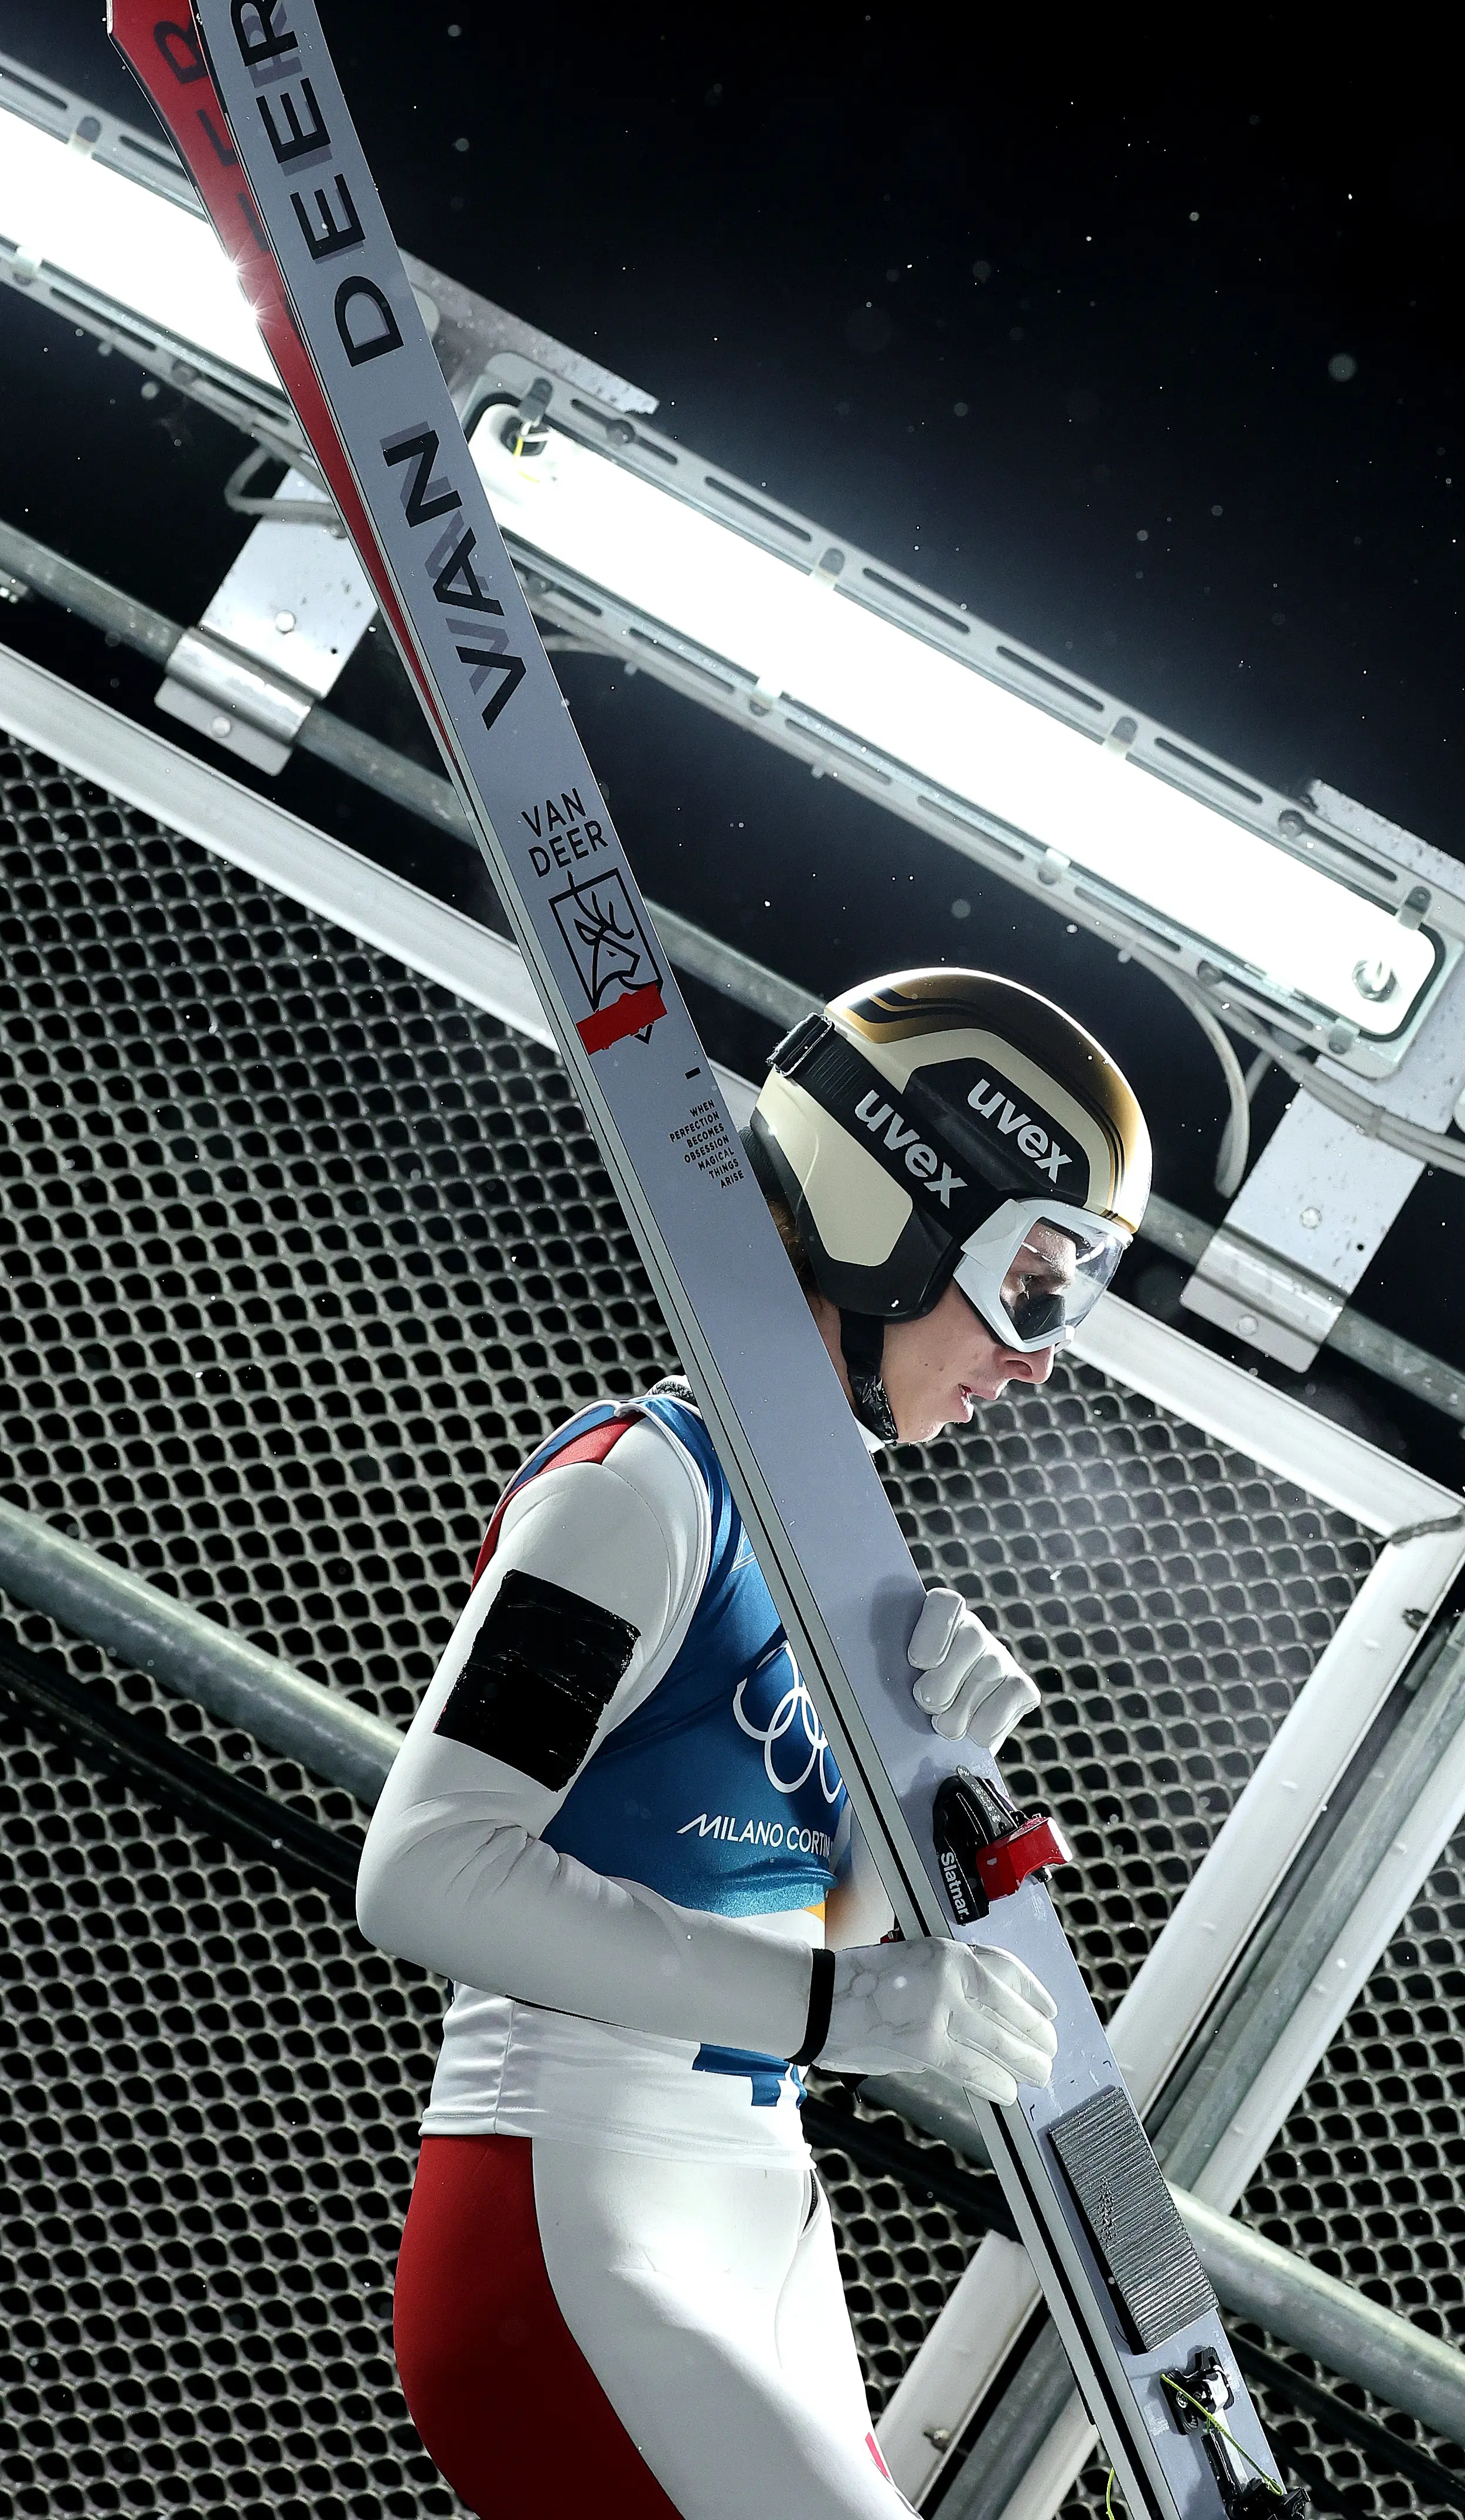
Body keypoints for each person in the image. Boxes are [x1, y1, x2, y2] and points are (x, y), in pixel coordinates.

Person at [357, 967, 1151, 2520]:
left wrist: (898, 1774)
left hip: (754, 2212)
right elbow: (425, 1873)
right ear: (898, 1212)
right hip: (575, 2214)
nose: (1041, 1356)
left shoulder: (826, 1543)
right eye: (1035, 1278)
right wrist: (849, 2000)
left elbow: (815, 1940)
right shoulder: (638, 1494)